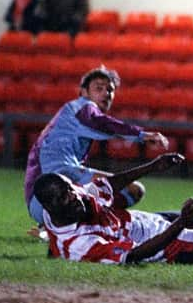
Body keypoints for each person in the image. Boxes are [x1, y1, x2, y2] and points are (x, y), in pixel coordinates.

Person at [33, 153, 193, 266]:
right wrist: (180, 225)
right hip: (162, 245)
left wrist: (153, 165)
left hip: (141, 221)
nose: (76, 197)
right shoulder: (76, 244)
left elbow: (109, 184)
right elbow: (135, 255)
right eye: (65, 197)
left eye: (71, 190)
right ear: (51, 206)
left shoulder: (72, 200)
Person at [24, 65, 169, 226]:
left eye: (110, 90)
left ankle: (58, 228)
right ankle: (100, 229)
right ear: (84, 92)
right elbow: (100, 123)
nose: (106, 93)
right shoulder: (81, 107)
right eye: (99, 88)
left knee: (107, 194)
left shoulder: (70, 115)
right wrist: (141, 135)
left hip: (41, 200)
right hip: (51, 190)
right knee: (132, 189)